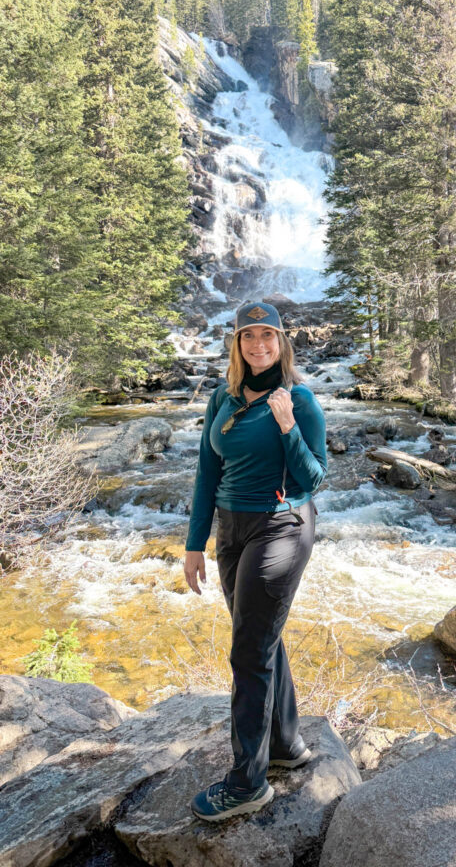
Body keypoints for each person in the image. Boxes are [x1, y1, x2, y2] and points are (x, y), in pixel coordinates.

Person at [183, 300, 327, 822]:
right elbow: (206, 470)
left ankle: (248, 782)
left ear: (282, 342)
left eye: (268, 335)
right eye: (249, 336)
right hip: (232, 527)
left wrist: (288, 426)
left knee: (248, 650)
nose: (259, 345)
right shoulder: (222, 396)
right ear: (237, 344)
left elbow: (313, 480)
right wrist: (194, 543)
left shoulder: (301, 400)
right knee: (260, 635)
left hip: (282, 525)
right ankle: (286, 744)